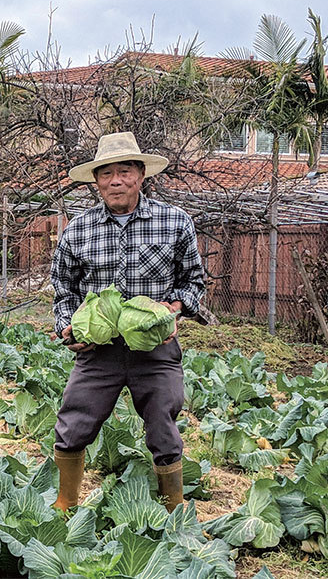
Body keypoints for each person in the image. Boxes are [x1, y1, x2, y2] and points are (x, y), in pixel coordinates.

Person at [50, 131, 205, 512]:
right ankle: (65, 502)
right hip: (98, 351)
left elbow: (194, 281)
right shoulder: (78, 229)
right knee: (73, 423)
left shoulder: (174, 222)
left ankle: (173, 510)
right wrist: (67, 327)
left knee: (164, 427)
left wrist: (174, 307)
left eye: (125, 171)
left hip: (154, 348)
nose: (115, 180)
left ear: (140, 175)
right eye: (107, 174)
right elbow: (63, 290)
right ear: (97, 181)